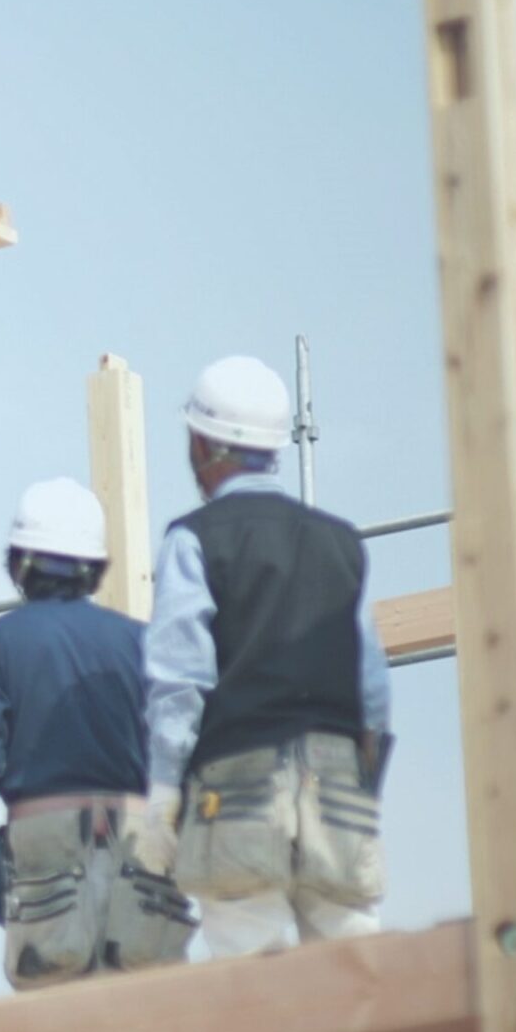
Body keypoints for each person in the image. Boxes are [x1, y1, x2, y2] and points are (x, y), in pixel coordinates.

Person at [131, 356, 392, 958]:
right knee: (359, 967)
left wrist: (164, 794)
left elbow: (179, 681)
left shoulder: (192, 539)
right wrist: (360, 786)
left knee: (252, 976)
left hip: (237, 784)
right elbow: (372, 690)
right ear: (275, 447)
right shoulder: (340, 543)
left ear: (202, 443)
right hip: (336, 780)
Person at [0, 478, 193, 988]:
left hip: (44, 850)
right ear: (94, 566)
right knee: (149, 1016)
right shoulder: (140, 643)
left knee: (57, 1026)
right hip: (137, 840)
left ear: (19, 562)